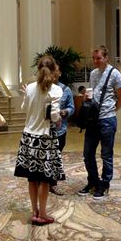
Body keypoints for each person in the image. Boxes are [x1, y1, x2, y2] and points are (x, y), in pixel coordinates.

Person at [14, 55, 65, 226]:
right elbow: (53, 115)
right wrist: (59, 118)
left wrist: (26, 94)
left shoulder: (29, 88)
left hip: (28, 138)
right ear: (54, 70)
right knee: (44, 179)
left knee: (32, 178)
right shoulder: (56, 90)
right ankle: (43, 214)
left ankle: (35, 211)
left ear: (38, 69)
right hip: (45, 139)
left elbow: (24, 108)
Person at [78, 45, 121, 199]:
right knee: (88, 154)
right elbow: (95, 93)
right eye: (93, 58)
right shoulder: (93, 74)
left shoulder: (115, 74)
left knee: (106, 154)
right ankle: (93, 181)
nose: (95, 61)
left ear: (106, 58)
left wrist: (111, 111)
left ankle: (104, 185)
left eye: (98, 58)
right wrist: (87, 98)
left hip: (107, 120)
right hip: (93, 119)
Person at [50, 64, 74, 196]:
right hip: (45, 130)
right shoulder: (43, 88)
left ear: (59, 73)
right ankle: (45, 182)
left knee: (56, 157)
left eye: (56, 71)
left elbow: (72, 107)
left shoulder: (66, 90)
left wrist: (65, 111)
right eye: (52, 71)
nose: (54, 73)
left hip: (60, 130)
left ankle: (53, 183)